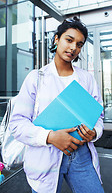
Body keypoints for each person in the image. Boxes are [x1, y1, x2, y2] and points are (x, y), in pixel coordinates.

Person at [9, 17, 104, 193]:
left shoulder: (87, 79)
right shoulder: (36, 78)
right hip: (46, 156)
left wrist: (95, 131)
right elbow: (17, 124)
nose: (74, 47)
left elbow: (98, 115)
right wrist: (50, 137)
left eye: (79, 44)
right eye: (69, 40)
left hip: (81, 154)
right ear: (56, 39)